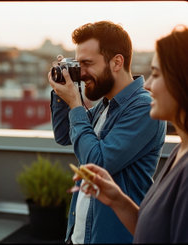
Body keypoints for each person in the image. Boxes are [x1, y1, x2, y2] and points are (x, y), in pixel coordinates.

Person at [47, 21, 166, 243]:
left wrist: (75, 104)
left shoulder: (143, 107)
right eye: (77, 64)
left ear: (117, 62)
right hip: (82, 236)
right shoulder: (105, 105)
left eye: (87, 63)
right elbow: (64, 135)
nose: (81, 73)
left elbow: (97, 162)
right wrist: (62, 91)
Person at [79, 25, 188, 243]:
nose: (147, 84)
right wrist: (118, 200)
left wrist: (75, 104)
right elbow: (154, 234)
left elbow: (96, 158)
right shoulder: (180, 151)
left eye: (156, 74)